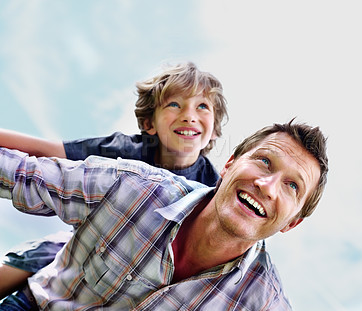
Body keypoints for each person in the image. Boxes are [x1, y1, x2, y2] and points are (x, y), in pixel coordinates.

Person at [0, 119, 329, 310]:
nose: (267, 186)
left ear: (292, 222)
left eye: (292, 186)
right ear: (229, 165)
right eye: (264, 161)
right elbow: (24, 174)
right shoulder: (134, 186)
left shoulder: (262, 303)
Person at [0, 61, 228, 300]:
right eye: (174, 104)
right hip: (96, 247)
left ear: (213, 130)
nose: (189, 116)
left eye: (202, 106)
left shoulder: (212, 189)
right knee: (48, 250)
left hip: (149, 274)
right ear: (150, 123)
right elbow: (48, 151)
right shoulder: (126, 153)